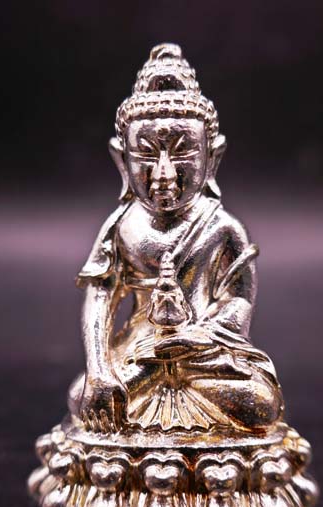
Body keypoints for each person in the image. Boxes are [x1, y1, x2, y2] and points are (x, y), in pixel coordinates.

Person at [68, 43, 283, 434]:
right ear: (121, 160)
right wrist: (99, 372)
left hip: (203, 358)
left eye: (183, 153)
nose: (164, 174)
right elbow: (100, 298)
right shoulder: (122, 227)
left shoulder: (223, 228)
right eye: (147, 155)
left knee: (261, 404)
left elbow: (239, 301)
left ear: (212, 157)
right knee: (83, 397)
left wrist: (196, 339)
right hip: (138, 359)